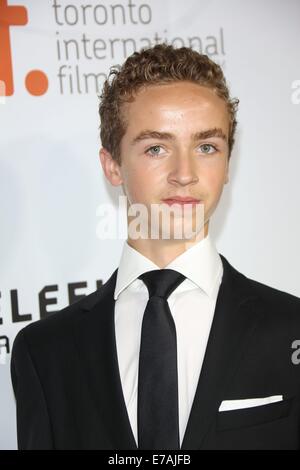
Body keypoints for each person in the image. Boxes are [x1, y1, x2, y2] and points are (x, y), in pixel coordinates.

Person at [11, 43, 300, 450]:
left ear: (228, 162)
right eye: (156, 148)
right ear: (112, 165)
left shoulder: (292, 329)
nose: (185, 174)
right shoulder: (45, 353)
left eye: (206, 147)